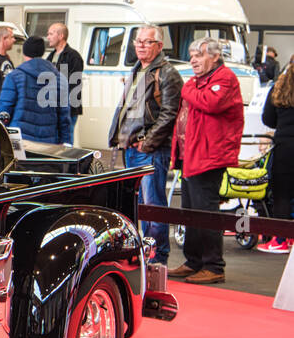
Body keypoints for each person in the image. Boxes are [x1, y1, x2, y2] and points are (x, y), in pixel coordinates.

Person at [169, 38, 244, 284]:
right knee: (190, 211)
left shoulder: (224, 78)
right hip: (191, 155)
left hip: (209, 157)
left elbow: (210, 103)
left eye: (199, 55)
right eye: (191, 56)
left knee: (205, 212)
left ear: (214, 56)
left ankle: (214, 265)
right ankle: (194, 261)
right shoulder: (198, 82)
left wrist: (188, 90)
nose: (193, 60)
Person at [107, 24, 182, 266]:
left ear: (159, 46)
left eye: (147, 41)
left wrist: (148, 143)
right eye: (138, 41)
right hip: (131, 149)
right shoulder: (137, 69)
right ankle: (142, 255)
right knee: (138, 205)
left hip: (149, 151)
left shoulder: (168, 73)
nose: (140, 45)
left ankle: (158, 258)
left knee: (153, 205)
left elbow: (169, 114)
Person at [0, 36, 71, 144]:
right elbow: (64, 116)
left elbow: (5, 111)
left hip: (20, 140)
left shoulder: (14, 77)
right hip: (49, 142)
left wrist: (2, 138)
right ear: (42, 53)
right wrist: (66, 142)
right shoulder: (59, 78)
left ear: (24, 53)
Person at [258, 59, 294, 254]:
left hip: (285, 146)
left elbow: (268, 119)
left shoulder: (279, 87)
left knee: (282, 193)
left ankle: (280, 240)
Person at [45, 21, 83, 131]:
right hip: (53, 108)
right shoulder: (51, 56)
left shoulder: (73, 56)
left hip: (68, 109)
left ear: (61, 36)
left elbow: (74, 83)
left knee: (66, 144)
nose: (48, 37)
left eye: (51, 34)